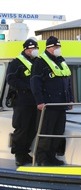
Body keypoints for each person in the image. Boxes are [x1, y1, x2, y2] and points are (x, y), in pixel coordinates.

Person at [30, 36, 74, 166]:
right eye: (55, 47)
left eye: (58, 47)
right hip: (48, 105)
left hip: (61, 104)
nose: (58, 49)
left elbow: (68, 82)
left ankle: (51, 157)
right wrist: (39, 101)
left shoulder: (61, 61)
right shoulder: (39, 63)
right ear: (48, 48)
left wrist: (70, 100)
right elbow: (35, 83)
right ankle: (42, 159)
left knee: (58, 132)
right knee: (46, 132)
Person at [6, 38, 39, 166]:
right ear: (26, 49)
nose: (34, 51)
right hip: (22, 100)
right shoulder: (16, 63)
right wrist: (28, 86)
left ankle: (25, 153)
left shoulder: (37, 62)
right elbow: (11, 79)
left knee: (32, 128)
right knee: (21, 128)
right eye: (32, 49)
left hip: (35, 101)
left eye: (36, 48)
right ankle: (19, 155)